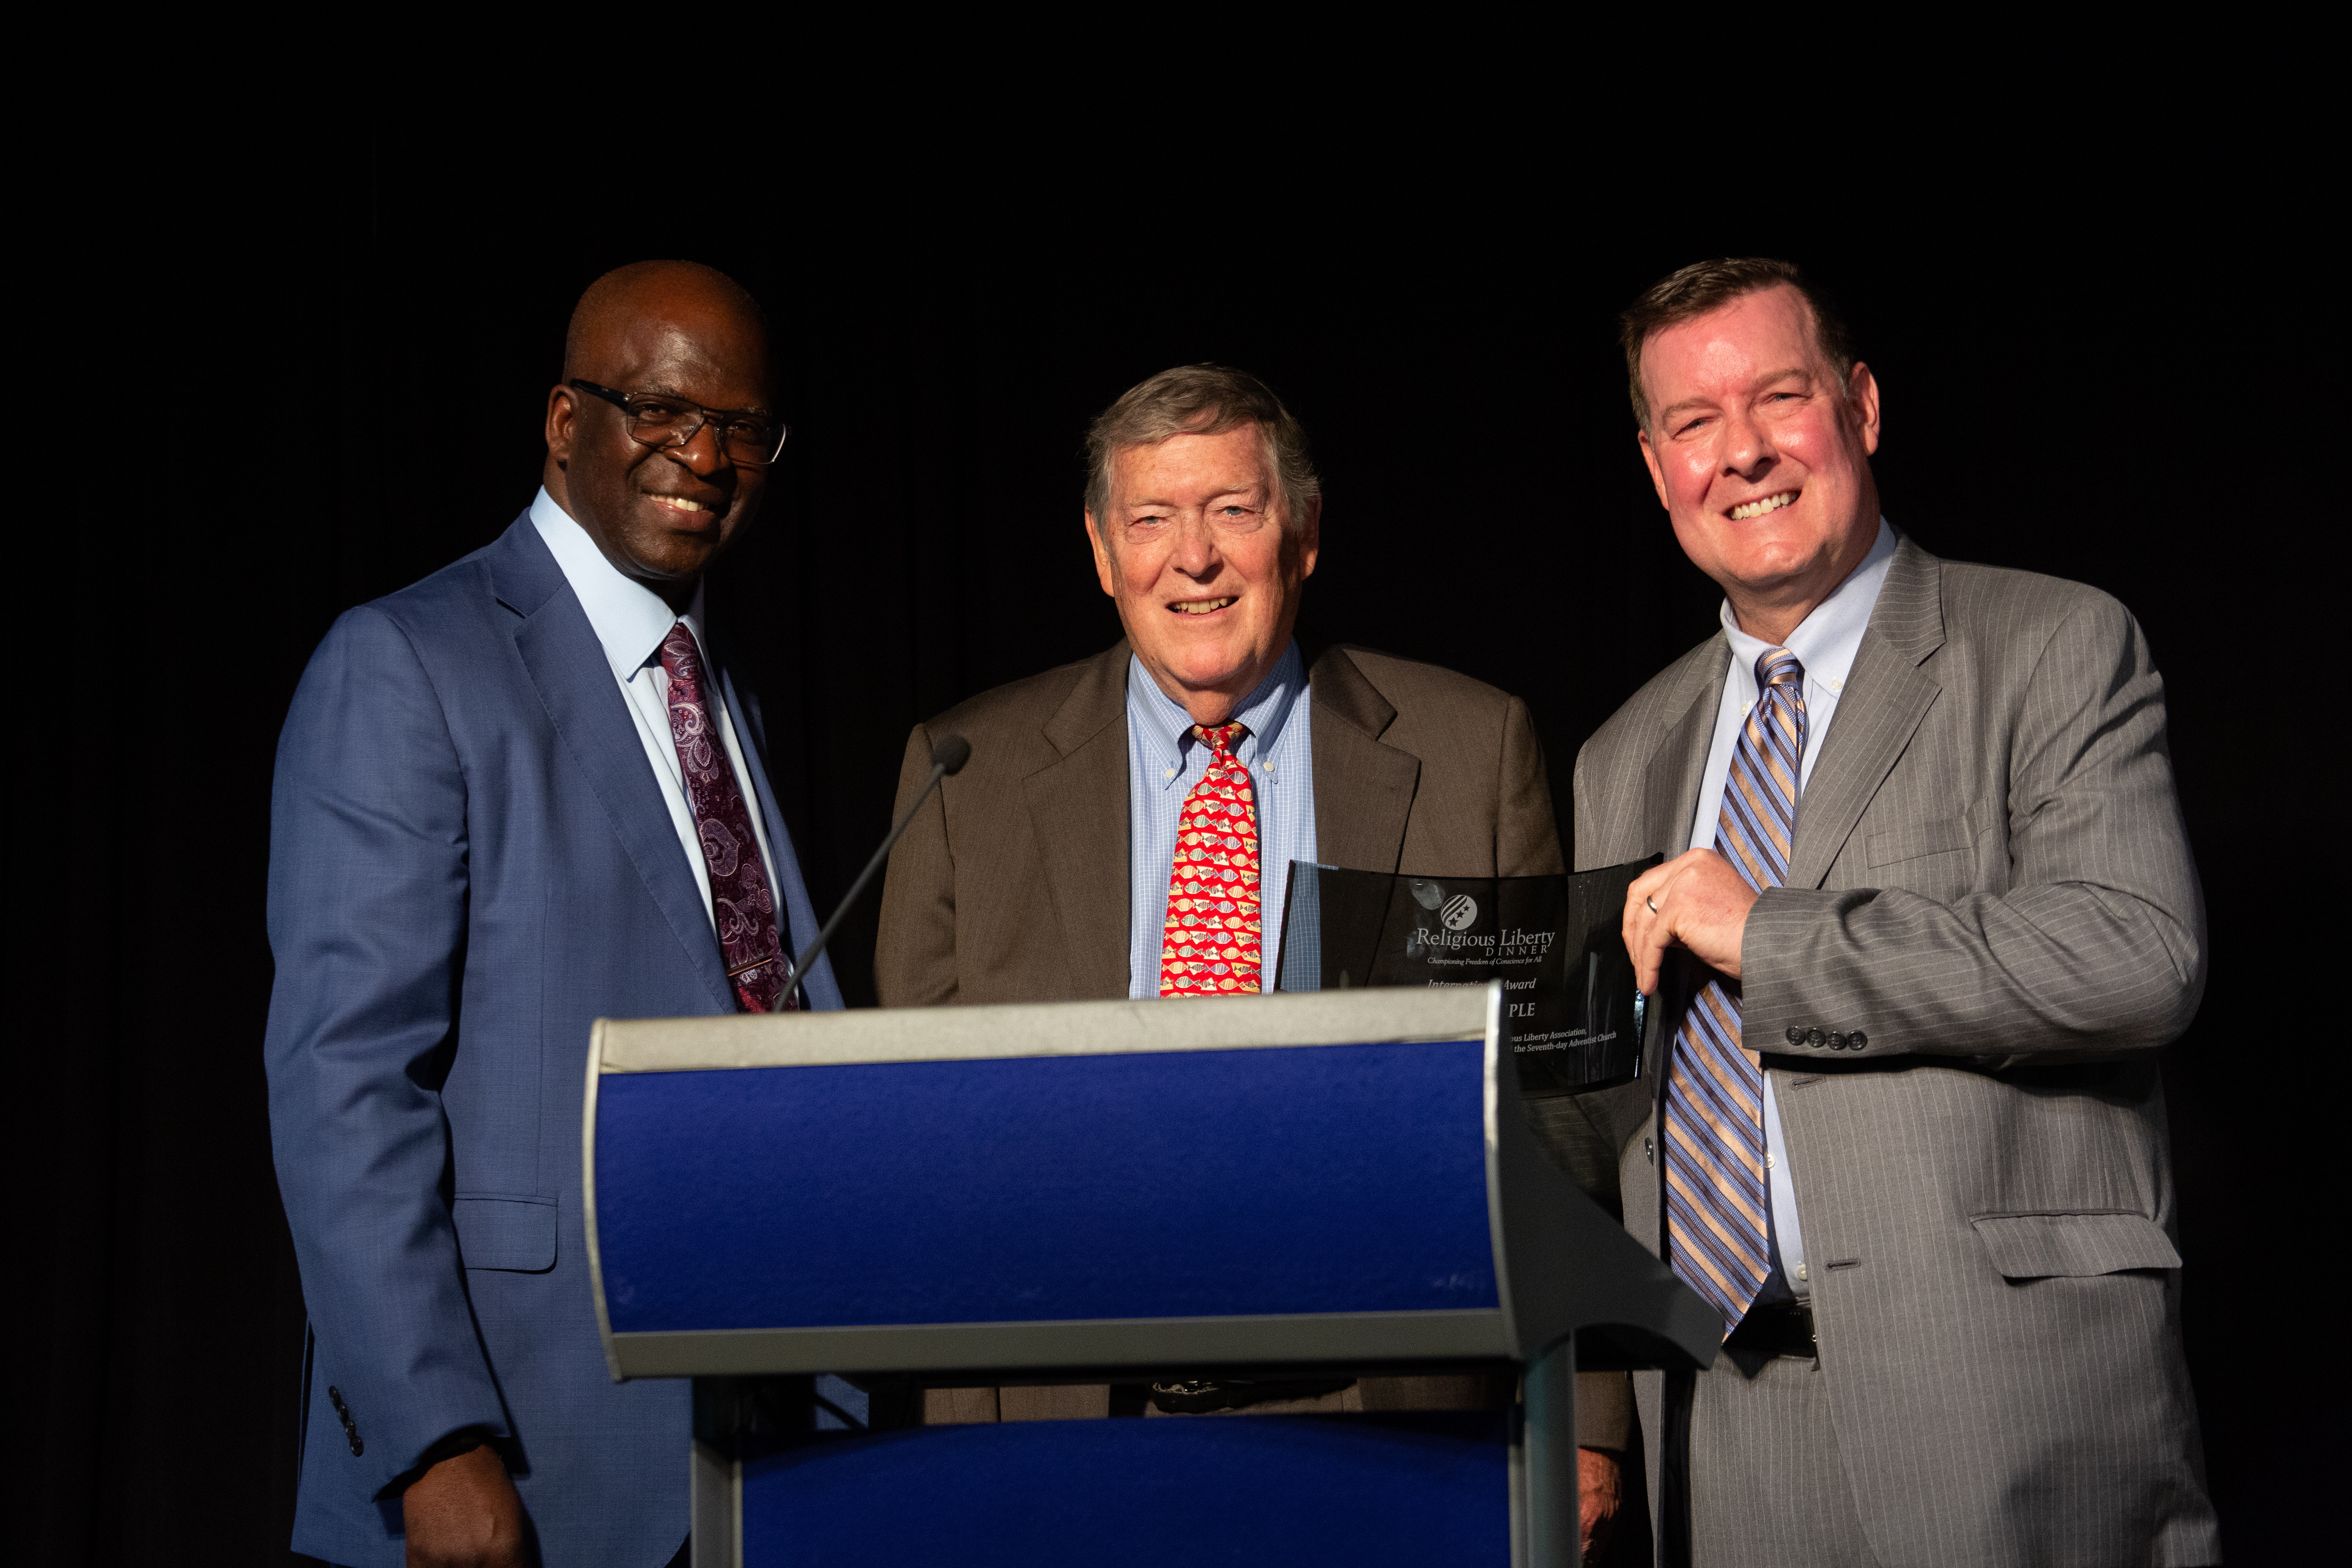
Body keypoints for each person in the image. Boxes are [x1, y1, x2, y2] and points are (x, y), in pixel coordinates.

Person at [873, 362, 1631, 1553]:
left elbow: (1557, 1118)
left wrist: (1587, 1424)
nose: (1196, 558)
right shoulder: (968, 773)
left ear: (1306, 535)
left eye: (1234, 510)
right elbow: (930, 1151)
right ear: (1100, 550)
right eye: (1152, 520)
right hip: (1073, 1421)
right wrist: (963, 1441)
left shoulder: (1470, 749)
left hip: (1396, 1415)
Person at [1559, 257, 2217, 1565]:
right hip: (1729, 1421)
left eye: (1779, 399)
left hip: (2005, 1400)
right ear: (1655, 467)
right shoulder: (1624, 754)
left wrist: (1776, 940)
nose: (1742, 453)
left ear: (1859, 406)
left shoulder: (2052, 645)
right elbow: (1606, 1116)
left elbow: (2139, 957)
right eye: (1695, 424)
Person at [265, 261, 842, 1568]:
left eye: (744, 428)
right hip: (518, 1469)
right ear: (563, 419)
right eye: (660, 408)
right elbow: (344, 1086)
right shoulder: (410, 662)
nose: (704, 453)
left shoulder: (716, 688)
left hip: (744, 1456)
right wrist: (436, 1445)